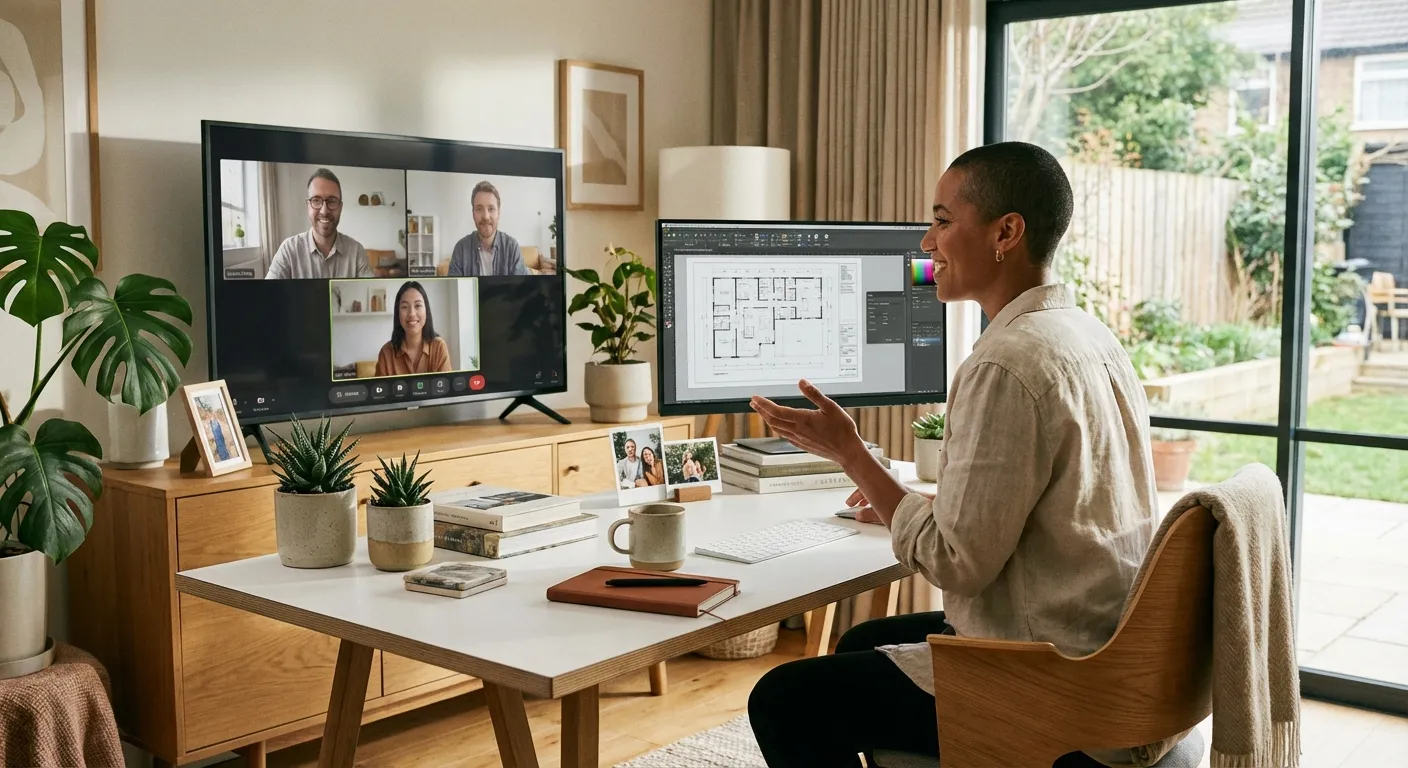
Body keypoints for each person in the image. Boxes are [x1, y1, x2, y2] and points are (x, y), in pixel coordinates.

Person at [746, 142, 1161, 768]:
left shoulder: (1005, 363)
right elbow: (1055, 499)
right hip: (1108, 650)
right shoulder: (1087, 334)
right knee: (862, 640)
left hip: (1051, 679)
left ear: (1006, 232)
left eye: (942, 221)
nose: (925, 242)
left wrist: (850, 453)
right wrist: (922, 502)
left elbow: (956, 562)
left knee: (782, 699)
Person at [266, 168, 372, 279]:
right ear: (308, 206)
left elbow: (370, 293)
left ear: (340, 207)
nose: (324, 211)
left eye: (332, 201)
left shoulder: (357, 252)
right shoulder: (288, 250)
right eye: (316, 200)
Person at [447, 181, 531, 276]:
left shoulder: (511, 247)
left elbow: (521, 288)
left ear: (498, 212)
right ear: (473, 213)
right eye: (479, 209)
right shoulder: (461, 249)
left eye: (491, 209)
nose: (486, 216)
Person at [374, 281, 452, 377]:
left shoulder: (439, 347)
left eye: (418, 305)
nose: (411, 313)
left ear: (426, 310)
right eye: (405, 307)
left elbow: (445, 388)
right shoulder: (386, 353)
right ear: (398, 313)